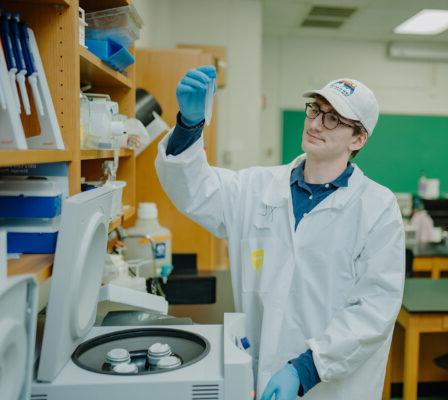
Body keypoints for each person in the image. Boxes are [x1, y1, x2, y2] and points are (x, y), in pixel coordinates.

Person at [155, 65, 405, 399]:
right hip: (259, 374)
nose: (315, 123)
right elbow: (195, 191)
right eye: (315, 109)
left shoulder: (378, 208)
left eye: (333, 119)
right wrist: (188, 125)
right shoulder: (256, 187)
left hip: (331, 385)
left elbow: (375, 308)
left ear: (358, 139)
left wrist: (306, 368)